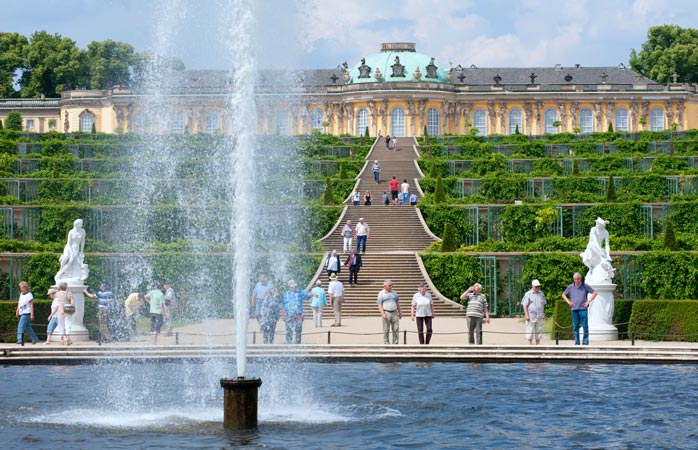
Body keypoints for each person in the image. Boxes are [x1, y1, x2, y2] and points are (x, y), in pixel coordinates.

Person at [562, 272, 597, 345]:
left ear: (580, 279)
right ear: (573, 279)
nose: (577, 281)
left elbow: (595, 293)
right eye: (575, 279)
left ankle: (585, 342)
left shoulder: (585, 286)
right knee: (575, 326)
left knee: (585, 326)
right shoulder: (570, 287)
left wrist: (588, 301)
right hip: (574, 309)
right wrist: (568, 302)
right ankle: (577, 342)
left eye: (578, 279)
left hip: (583, 309)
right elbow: (563, 294)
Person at [581, 217, 614, 282]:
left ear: (602, 225)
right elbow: (595, 241)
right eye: (596, 223)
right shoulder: (593, 229)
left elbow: (607, 244)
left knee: (605, 257)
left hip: (599, 249)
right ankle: (591, 268)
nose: (596, 224)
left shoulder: (605, 232)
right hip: (591, 247)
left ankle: (606, 267)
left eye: (598, 223)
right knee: (585, 260)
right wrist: (600, 251)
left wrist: (608, 254)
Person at [281, 280, 314, 344]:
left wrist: (313, 294)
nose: (294, 288)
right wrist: (283, 314)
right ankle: (288, 346)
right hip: (289, 315)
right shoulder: (285, 294)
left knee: (298, 330)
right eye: (292, 287)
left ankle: (298, 345)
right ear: (289, 287)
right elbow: (283, 305)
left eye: (294, 287)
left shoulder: (299, 293)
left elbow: (308, 294)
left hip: (298, 315)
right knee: (288, 331)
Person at [55, 218, 87, 283]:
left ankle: (63, 272)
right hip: (69, 248)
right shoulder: (71, 231)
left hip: (76, 249)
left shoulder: (83, 231)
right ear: (77, 224)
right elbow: (68, 243)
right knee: (67, 257)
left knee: (71, 261)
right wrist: (71, 252)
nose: (82, 224)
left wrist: (81, 251)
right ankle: (61, 270)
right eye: (81, 223)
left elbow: (82, 242)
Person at [377, 279, 402, 344]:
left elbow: (397, 303)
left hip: (394, 312)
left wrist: (400, 312)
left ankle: (395, 343)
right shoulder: (381, 293)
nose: (391, 286)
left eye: (391, 285)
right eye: (390, 285)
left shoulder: (394, 292)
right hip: (386, 312)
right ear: (385, 286)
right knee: (386, 329)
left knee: (396, 328)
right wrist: (383, 314)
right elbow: (379, 305)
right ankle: (386, 342)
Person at [521, 279, 546, 345]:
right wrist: (526, 315)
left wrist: (543, 313)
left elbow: (542, 304)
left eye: (538, 286)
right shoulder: (528, 294)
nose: (537, 288)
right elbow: (524, 305)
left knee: (539, 333)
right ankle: (530, 347)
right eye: (536, 286)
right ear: (532, 286)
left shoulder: (541, 294)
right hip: (531, 316)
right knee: (530, 332)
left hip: (539, 316)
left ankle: (538, 346)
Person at [56, 281, 74, 345]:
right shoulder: (69, 293)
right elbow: (72, 303)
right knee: (68, 324)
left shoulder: (57, 293)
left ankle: (61, 339)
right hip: (67, 310)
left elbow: (56, 303)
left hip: (60, 310)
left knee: (61, 325)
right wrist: (73, 310)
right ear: (66, 287)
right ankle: (68, 338)